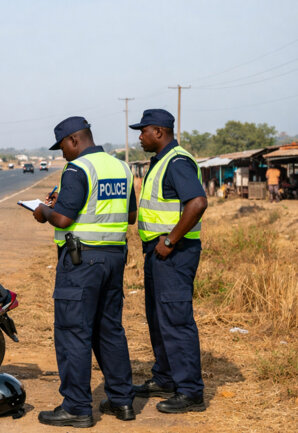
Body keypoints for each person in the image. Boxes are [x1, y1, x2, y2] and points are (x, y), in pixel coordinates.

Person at [33, 116, 137, 428]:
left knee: (73, 332)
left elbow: (63, 219)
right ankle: (122, 401)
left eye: (62, 145)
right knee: (109, 329)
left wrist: (44, 211)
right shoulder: (121, 167)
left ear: (75, 140)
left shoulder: (78, 169)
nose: (61, 153)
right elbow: (130, 215)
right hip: (114, 258)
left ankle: (77, 407)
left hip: (81, 262)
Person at [129, 109, 208, 413]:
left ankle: (190, 391)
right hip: (159, 253)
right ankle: (165, 377)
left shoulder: (176, 162)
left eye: (143, 131)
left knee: (176, 320)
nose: (140, 137)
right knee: (158, 318)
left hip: (174, 253)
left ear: (159, 132)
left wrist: (171, 239)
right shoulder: (160, 162)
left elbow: (198, 202)